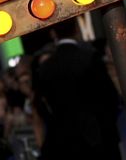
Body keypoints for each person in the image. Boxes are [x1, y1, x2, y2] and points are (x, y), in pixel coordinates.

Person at [30, 18, 120, 159]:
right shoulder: (89, 57)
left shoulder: (45, 68)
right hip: (101, 138)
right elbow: (110, 97)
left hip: (66, 142)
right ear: (77, 29)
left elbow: (41, 106)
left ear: (53, 33)